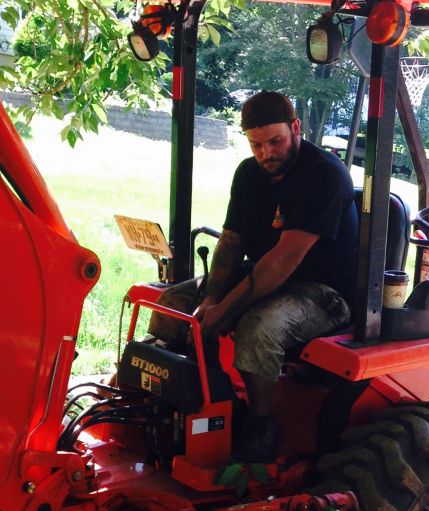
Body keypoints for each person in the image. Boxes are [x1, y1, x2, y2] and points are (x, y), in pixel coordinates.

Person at [152, 91, 358, 462]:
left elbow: (282, 261)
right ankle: (197, 401)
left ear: (296, 128)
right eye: (256, 144)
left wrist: (225, 312)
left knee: (258, 326)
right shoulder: (249, 174)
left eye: (275, 141)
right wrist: (212, 298)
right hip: (263, 276)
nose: (266, 153)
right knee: (174, 303)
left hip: (322, 293)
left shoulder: (324, 174)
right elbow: (231, 243)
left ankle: (260, 424)